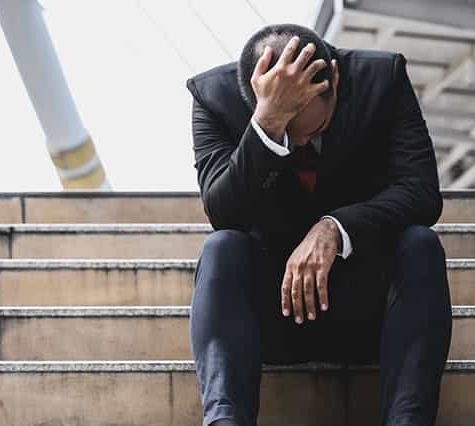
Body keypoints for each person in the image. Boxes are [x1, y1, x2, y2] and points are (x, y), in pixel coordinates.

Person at [185, 23, 452, 426]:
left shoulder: (383, 80)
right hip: (270, 316)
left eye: (314, 129)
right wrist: (266, 127)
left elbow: (421, 192)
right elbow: (223, 214)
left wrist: (335, 226)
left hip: (372, 313)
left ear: (336, 80)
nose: (303, 147)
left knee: (421, 244)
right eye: (290, 137)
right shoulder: (214, 97)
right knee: (220, 248)